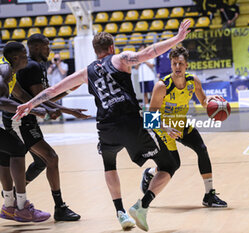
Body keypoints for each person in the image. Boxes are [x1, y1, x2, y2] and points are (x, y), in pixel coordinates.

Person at [13, 20, 192, 231]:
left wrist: (29, 103)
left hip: (105, 127)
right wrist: (177, 38)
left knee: (109, 165)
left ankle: (120, 212)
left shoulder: (85, 72)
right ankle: (142, 206)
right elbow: (149, 52)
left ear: (95, 50)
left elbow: (53, 91)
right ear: (111, 48)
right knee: (170, 165)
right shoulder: (121, 59)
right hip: (129, 122)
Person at [3, 34, 89, 222]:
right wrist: (64, 109)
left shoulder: (27, 68)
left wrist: (64, 99)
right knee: (49, 158)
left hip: (26, 119)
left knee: (41, 162)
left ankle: (13, 198)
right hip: (20, 121)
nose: (49, 49)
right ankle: (51, 206)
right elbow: (38, 98)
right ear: (34, 47)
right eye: (46, 45)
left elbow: (38, 99)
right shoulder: (31, 67)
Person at [140, 46, 227, 208]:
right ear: (171, 65)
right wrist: (165, 128)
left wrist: (212, 101)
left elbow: (203, 101)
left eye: (180, 63)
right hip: (164, 128)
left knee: (202, 148)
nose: (177, 67)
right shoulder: (162, 86)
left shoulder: (192, 82)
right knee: (174, 165)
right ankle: (150, 173)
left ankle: (209, 195)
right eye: (174, 64)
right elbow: (149, 118)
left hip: (181, 124)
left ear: (186, 65)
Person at [0, 42, 51, 222]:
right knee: (17, 149)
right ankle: (22, 207)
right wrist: (34, 110)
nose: (27, 58)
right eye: (24, 55)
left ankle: (8, 206)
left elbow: (22, 96)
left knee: (5, 155)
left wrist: (44, 107)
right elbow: (1, 101)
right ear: (15, 58)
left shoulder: (9, 72)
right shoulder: (5, 70)